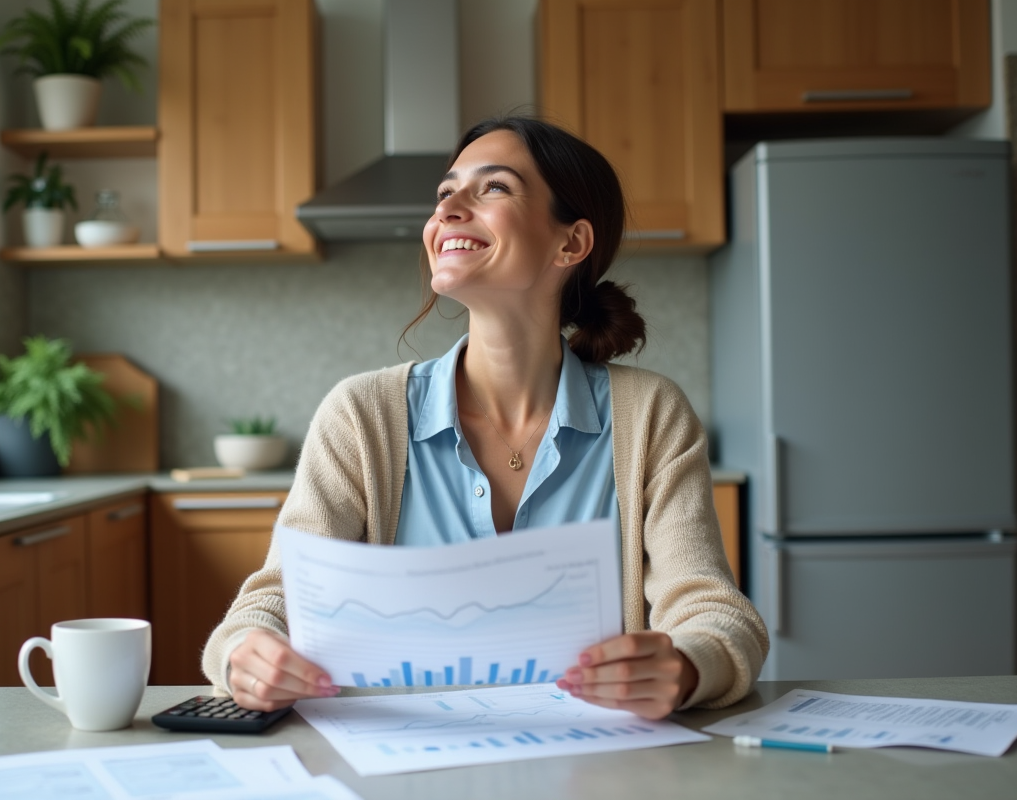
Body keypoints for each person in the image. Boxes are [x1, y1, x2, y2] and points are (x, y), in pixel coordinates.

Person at [203, 116, 768, 720]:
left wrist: (684, 668)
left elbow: (716, 615)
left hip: (597, 769)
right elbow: (270, 604)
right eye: (445, 193)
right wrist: (246, 654)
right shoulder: (361, 415)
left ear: (571, 244)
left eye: (493, 187)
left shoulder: (651, 414)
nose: (448, 209)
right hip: (397, 764)